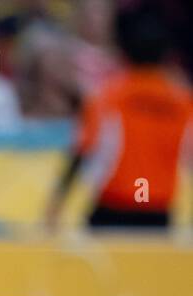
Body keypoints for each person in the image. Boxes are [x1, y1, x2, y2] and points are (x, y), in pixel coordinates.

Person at [45, 4, 193, 230]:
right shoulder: (183, 101)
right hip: (158, 210)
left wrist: (56, 203)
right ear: (165, 54)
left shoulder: (108, 96)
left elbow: (82, 151)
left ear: (122, 51)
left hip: (112, 207)